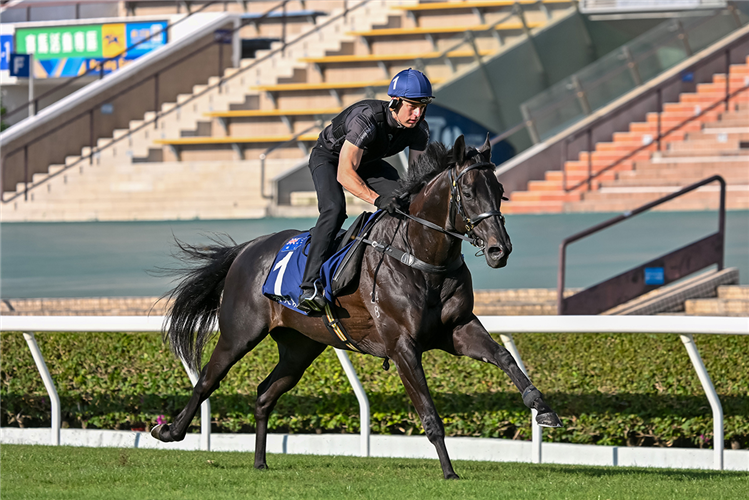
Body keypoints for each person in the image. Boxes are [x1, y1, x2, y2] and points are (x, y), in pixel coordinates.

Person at [297, 68, 434, 313]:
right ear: (395, 101)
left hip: (369, 162)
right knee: (334, 210)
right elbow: (345, 173)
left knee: (404, 200)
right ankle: (309, 287)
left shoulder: (419, 129)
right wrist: (377, 199)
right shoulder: (367, 118)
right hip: (330, 158)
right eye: (412, 106)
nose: (418, 114)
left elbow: (417, 180)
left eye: (423, 107)